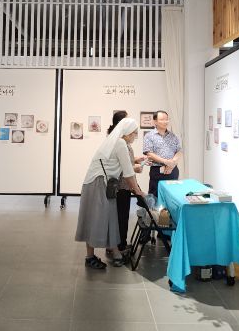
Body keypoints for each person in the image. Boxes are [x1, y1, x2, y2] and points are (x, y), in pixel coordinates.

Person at [75, 117, 146, 269]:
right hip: (98, 184)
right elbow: (128, 173)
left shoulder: (114, 141)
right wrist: (139, 192)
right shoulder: (120, 143)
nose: (135, 136)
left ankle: (115, 253)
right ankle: (90, 257)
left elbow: (123, 167)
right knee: (96, 219)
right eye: (134, 133)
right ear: (127, 132)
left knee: (111, 218)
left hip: (101, 184)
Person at [108, 110, 145, 253]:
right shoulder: (119, 141)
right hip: (122, 185)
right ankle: (119, 246)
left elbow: (124, 161)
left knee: (121, 216)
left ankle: (117, 245)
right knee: (121, 217)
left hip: (124, 184)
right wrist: (137, 188)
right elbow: (124, 168)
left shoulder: (118, 139)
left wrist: (135, 160)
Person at [142, 110, 182, 199]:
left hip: (172, 170)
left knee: (172, 196)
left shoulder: (173, 136)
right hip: (157, 171)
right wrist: (165, 162)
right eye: (162, 119)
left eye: (167, 119)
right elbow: (149, 153)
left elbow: (179, 152)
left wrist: (172, 163)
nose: (165, 121)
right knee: (155, 196)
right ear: (155, 121)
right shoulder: (149, 136)